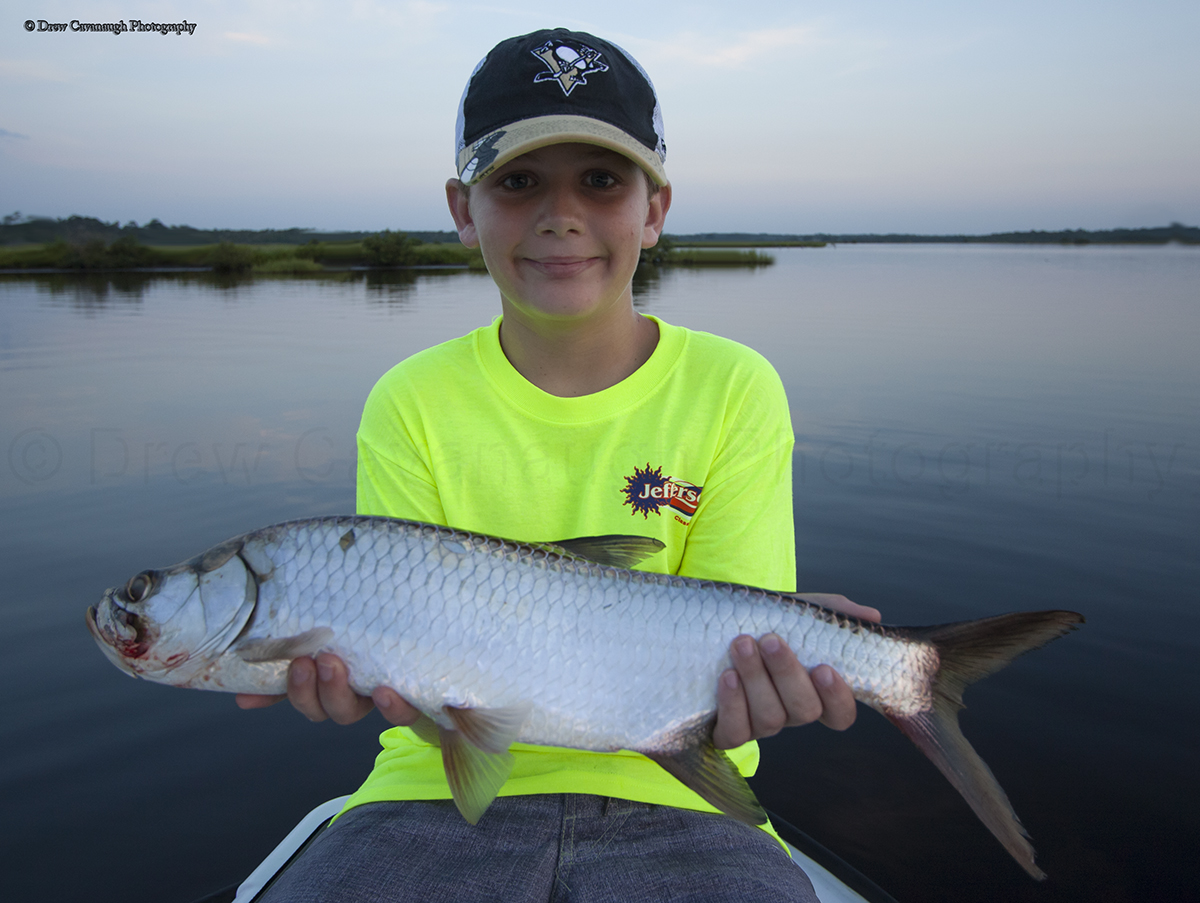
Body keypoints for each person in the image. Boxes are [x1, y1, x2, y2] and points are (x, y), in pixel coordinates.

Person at [238, 27, 880, 901]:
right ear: (465, 210)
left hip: (678, 795)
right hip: (432, 788)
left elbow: (731, 646)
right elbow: (410, 674)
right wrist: (355, 678)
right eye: (518, 181)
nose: (561, 214)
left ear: (654, 210)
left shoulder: (736, 386)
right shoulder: (408, 399)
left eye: (603, 180)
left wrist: (781, 671)